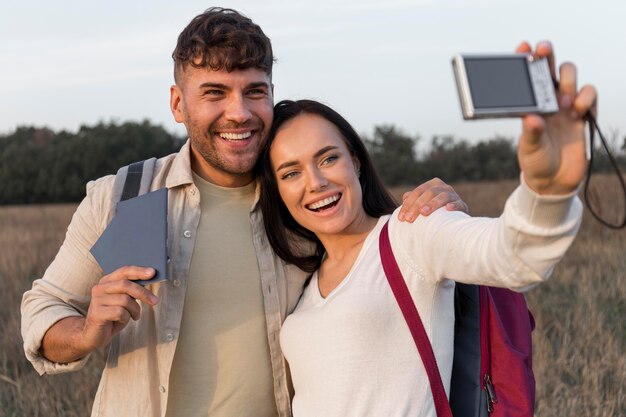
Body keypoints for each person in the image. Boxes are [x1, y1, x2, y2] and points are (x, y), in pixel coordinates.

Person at [20, 7, 465, 417]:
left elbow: (386, 255)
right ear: (178, 104)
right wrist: (86, 331)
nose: (239, 112)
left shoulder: (305, 202)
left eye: (254, 91)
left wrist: (440, 213)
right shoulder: (124, 196)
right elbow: (44, 310)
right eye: (214, 93)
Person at [257, 42, 596, 417]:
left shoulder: (410, 233)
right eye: (291, 173)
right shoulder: (299, 282)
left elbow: (513, 258)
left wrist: (547, 191)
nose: (316, 182)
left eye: (328, 158)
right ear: (278, 190)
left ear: (355, 162)